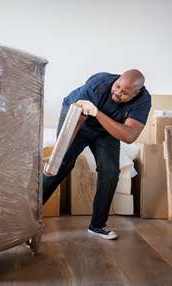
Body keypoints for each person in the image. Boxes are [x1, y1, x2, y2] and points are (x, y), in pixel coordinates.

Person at [43, 69, 151, 240]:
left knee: (111, 171)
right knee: (61, 164)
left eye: (124, 93)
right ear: (117, 79)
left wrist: (97, 113)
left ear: (136, 93)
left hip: (106, 126)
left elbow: (130, 136)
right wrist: (59, 152)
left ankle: (97, 225)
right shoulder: (97, 85)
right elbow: (76, 124)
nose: (117, 93)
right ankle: (29, 217)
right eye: (117, 86)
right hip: (78, 119)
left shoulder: (143, 100)